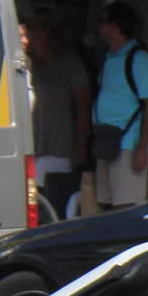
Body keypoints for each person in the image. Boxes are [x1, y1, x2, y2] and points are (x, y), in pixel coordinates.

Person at [86, 2, 148, 214]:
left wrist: (142, 148)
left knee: (127, 209)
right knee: (107, 207)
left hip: (128, 145)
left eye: (102, 21)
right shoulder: (110, 57)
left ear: (115, 26)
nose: (98, 26)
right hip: (107, 142)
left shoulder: (138, 58)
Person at [22, 12, 90, 220]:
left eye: (30, 30)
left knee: (46, 202)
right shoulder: (26, 63)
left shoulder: (70, 64)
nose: (26, 36)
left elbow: (84, 106)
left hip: (56, 147)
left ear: (45, 32)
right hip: (29, 145)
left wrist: (80, 144)